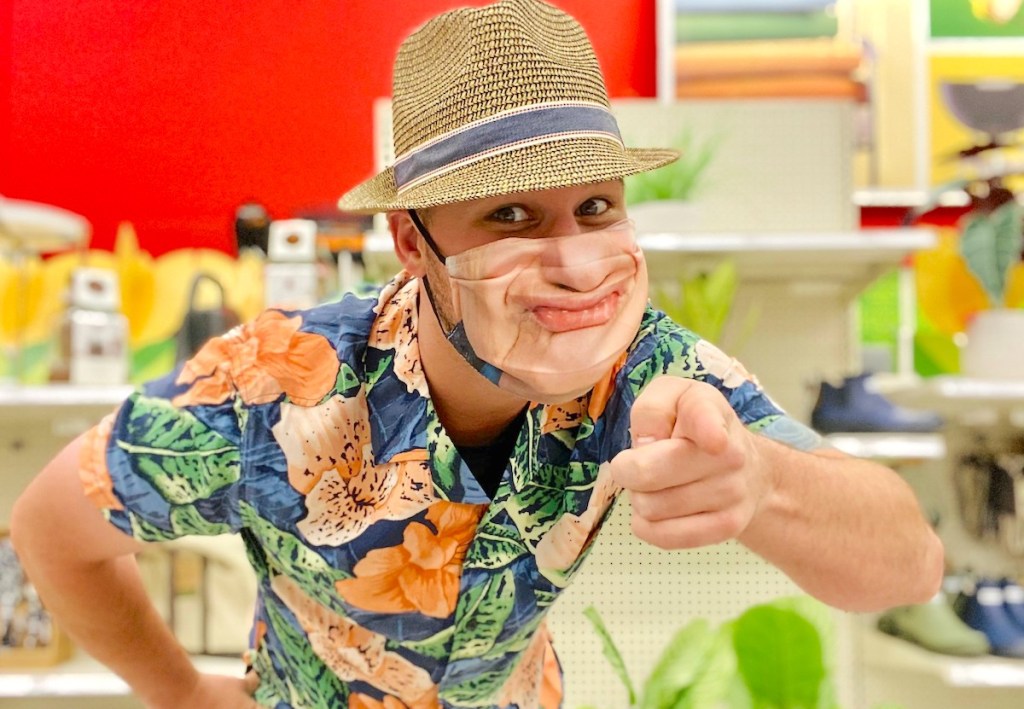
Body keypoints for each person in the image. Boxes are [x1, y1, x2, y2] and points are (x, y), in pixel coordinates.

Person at [11, 1, 944, 707]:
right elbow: (54, 524)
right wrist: (180, 695)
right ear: (412, 244)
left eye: (597, 208)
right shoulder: (276, 382)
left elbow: (909, 565)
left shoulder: (647, 368)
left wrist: (761, 483)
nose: (579, 265)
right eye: (511, 216)